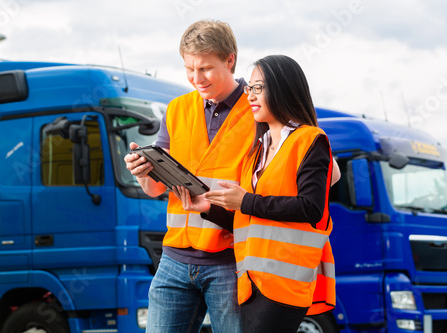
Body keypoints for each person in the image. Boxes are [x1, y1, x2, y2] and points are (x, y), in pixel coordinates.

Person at [175, 55, 336, 332]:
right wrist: (207, 208)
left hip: (284, 284)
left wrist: (245, 201)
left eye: (259, 88)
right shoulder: (258, 151)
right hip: (251, 282)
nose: (250, 95)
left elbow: (311, 208)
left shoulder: (310, 140)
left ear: (283, 88)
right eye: (249, 88)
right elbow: (247, 221)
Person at [124, 19, 254, 333]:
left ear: (230, 60)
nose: (196, 78)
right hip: (175, 260)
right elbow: (155, 188)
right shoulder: (176, 110)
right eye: (189, 68)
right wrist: (143, 172)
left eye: (205, 69)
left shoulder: (258, 109)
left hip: (231, 257)